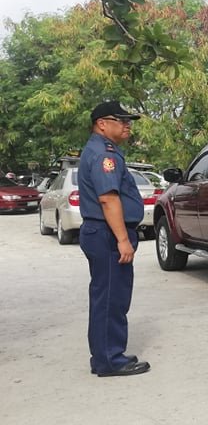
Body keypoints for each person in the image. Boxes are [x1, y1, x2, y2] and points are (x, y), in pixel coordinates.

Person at [79, 101, 151, 377]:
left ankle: (104, 355)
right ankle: (110, 360)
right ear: (102, 124)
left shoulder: (104, 151)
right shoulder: (103, 154)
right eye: (120, 120)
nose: (127, 125)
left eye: (128, 120)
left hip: (104, 233)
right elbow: (108, 199)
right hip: (107, 234)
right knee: (111, 297)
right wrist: (122, 238)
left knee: (108, 296)